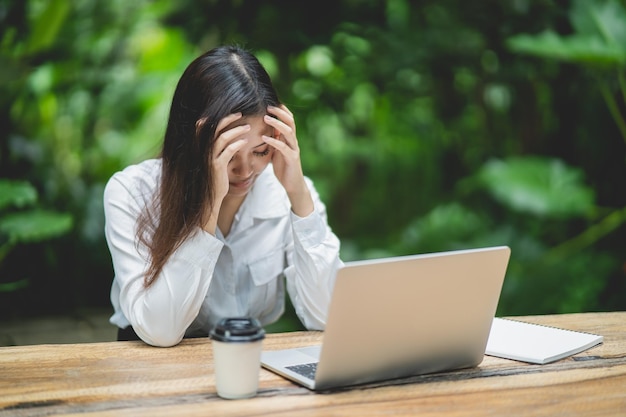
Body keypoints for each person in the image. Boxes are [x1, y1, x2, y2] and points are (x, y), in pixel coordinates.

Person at [103, 45, 343, 347]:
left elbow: (327, 317)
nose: (246, 170)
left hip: (245, 355)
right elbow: (160, 331)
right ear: (194, 140)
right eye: (229, 155)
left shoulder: (285, 194)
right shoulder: (132, 193)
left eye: (260, 151)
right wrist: (209, 205)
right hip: (149, 366)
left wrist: (299, 196)